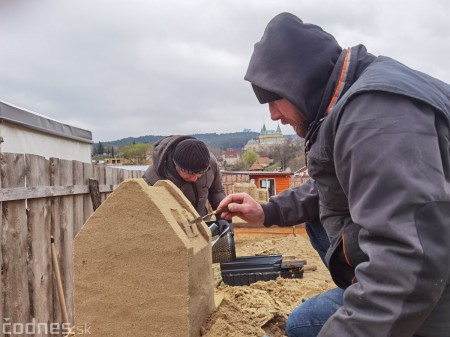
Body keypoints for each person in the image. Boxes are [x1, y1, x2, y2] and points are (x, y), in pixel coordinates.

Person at [219, 12, 450, 337]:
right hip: (428, 263)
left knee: (302, 324)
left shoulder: (374, 116)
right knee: (317, 218)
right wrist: (267, 211)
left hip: (431, 287)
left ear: (297, 83)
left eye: (274, 98)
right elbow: (332, 185)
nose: (272, 115)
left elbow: (411, 261)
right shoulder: (352, 102)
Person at [143, 135, 226, 217]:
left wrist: (223, 217)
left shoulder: (209, 162)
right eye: (190, 174)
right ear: (176, 165)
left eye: (199, 174)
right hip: (174, 226)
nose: (194, 179)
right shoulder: (152, 179)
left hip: (202, 221)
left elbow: (216, 191)